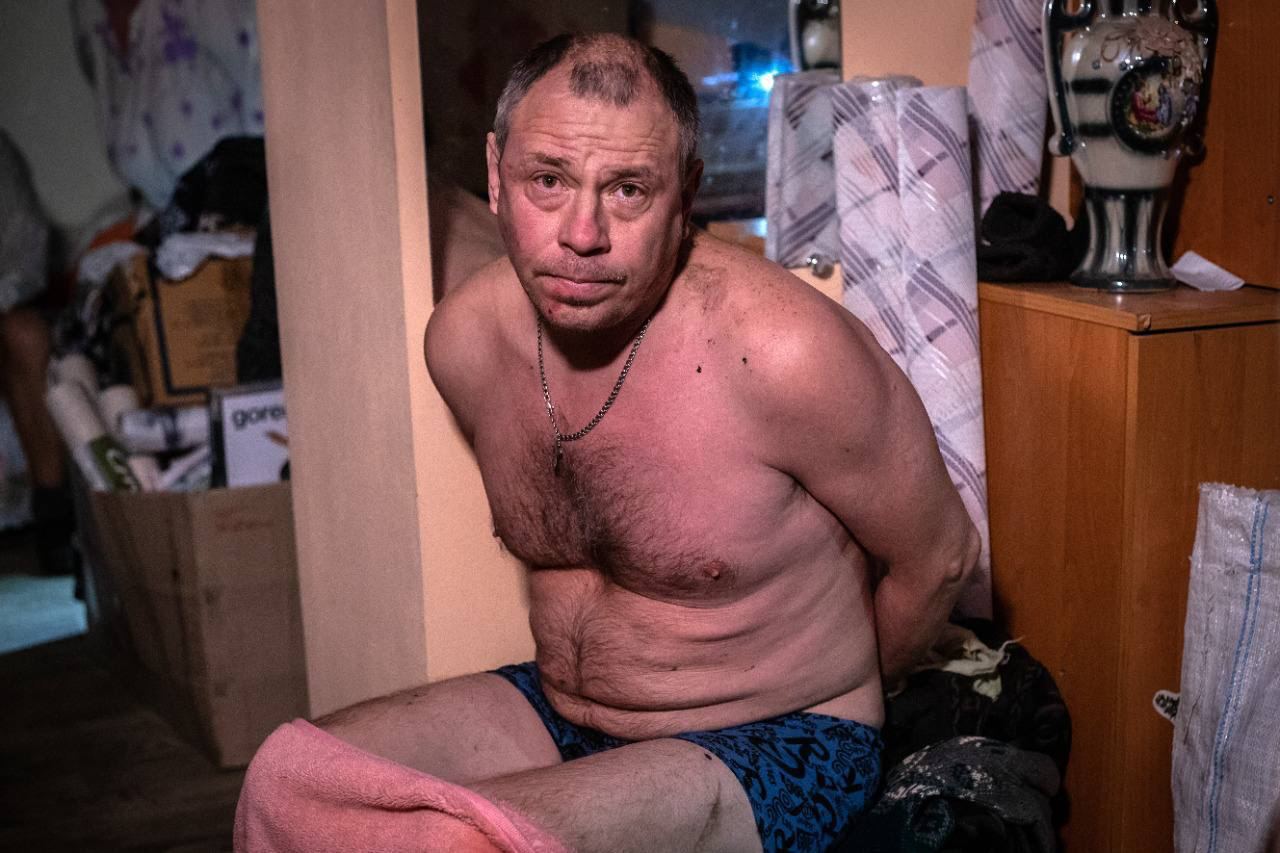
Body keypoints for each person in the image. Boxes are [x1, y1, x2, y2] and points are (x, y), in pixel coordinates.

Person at [315, 33, 978, 853]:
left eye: (627, 189)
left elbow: (942, 556)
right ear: (495, 173)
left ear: (684, 196)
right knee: (296, 778)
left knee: (464, 843)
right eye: (547, 180)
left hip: (775, 735)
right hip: (561, 707)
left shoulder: (787, 353)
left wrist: (840, 682)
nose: (580, 233)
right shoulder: (465, 342)